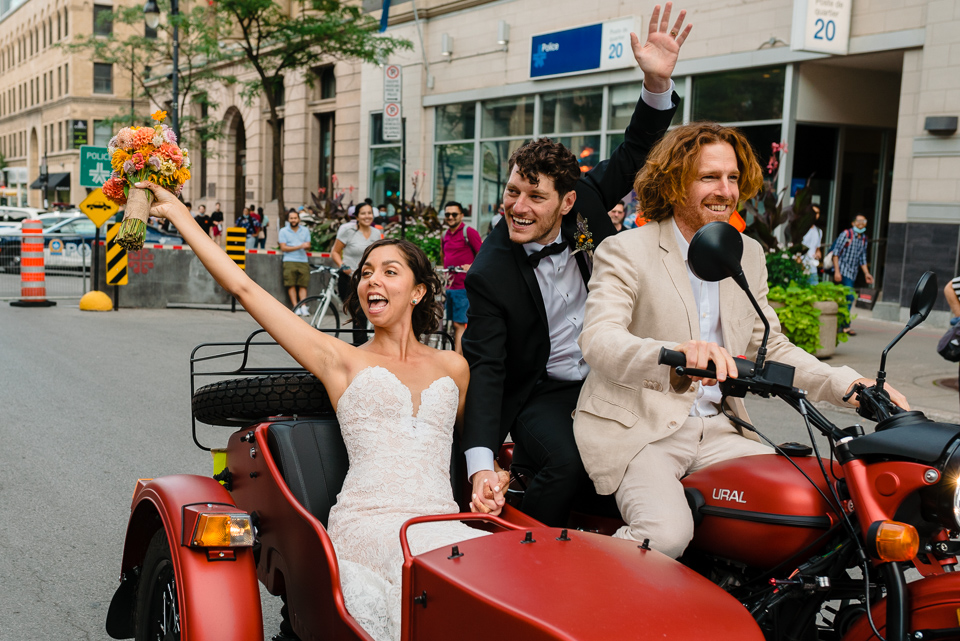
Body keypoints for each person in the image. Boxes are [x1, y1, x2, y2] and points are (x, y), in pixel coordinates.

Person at [136, 180, 497, 641]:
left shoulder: (455, 367)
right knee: (432, 585)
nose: (372, 281)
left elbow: (476, 447)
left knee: (495, 580)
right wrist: (181, 214)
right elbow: (245, 288)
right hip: (369, 523)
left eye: (389, 272)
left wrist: (493, 479)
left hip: (440, 519)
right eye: (365, 272)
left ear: (419, 292)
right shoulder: (341, 360)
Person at [573, 122, 909, 559]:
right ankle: (590, 587)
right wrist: (672, 355)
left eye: (732, 178)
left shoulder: (747, 253)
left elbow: (769, 345)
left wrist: (849, 385)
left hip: (718, 429)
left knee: (819, 504)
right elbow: (599, 339)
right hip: (640, 429)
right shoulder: (627, 249)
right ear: (674, 182)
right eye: (709, 177)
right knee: (667, 535)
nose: (726, 190)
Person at [463, 3, 690, 526]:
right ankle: (519, 543)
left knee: (667, 451)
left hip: (614, 370)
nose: (517, 207)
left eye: (535, 197)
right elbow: (488, 371)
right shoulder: (490, 272)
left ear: (566, 203)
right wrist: (480, 466)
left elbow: (636, 151)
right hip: (546, 388)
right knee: (568, 463)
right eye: (513, 191)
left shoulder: (587, 203)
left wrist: (656, 84)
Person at [332, 202, 384, 346]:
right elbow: (335, 252)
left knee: (365, 312)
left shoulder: (376, 233)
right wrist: (343, 266)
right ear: (357, 216)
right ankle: (361, 347)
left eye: (369, 213)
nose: (367, 216)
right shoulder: (348, 231)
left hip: (368, 279)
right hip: (349, 279)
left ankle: (365, 345)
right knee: (358, 313)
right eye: (363, 213)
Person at [440, 201, 482, 354]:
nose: (450, 217)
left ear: (462, 215)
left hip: (463, 287)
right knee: (449, 324)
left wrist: (471, 267)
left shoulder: (468, 232)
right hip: (449, 287)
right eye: (447, 214)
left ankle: (458, 360)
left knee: (459, 325)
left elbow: (483, 255)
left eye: (454, 214)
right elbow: (443, 255)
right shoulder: (444, 234)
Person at [831, 214, 873, 336]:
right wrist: (837, 272)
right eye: (858, 221)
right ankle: (845, 325)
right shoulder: (846, 234)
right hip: (843, 271)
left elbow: (862, 258)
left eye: (863, 221)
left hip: (852, 273)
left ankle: (839, 324)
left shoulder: (864, 238)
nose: (861, 223)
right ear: (853, 223)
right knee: (849, 297)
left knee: (844, 298)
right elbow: (836, 253)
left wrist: (867, 274)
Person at [278, 209, 312, 313]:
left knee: (303, 284)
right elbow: (283, 248)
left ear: (298, 219)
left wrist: (302, 246)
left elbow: (308, 246)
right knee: (291, 284)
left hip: (303, 260)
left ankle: (303, 307)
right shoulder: (283, 231)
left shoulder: (305, 230)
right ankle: (296, 306)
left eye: (295, 218)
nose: (293, 220)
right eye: (291, 218)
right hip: (289, 260)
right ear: (288, 219)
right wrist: (300, 246)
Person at [801, 204, 823, 285]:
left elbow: (817, 248)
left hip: (812, 267)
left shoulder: (818, 231)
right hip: (800, 266)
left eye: (817, 213)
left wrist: (818, 253)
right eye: (813, 212)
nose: (815, 215)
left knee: (814, 292)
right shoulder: (800, 228)